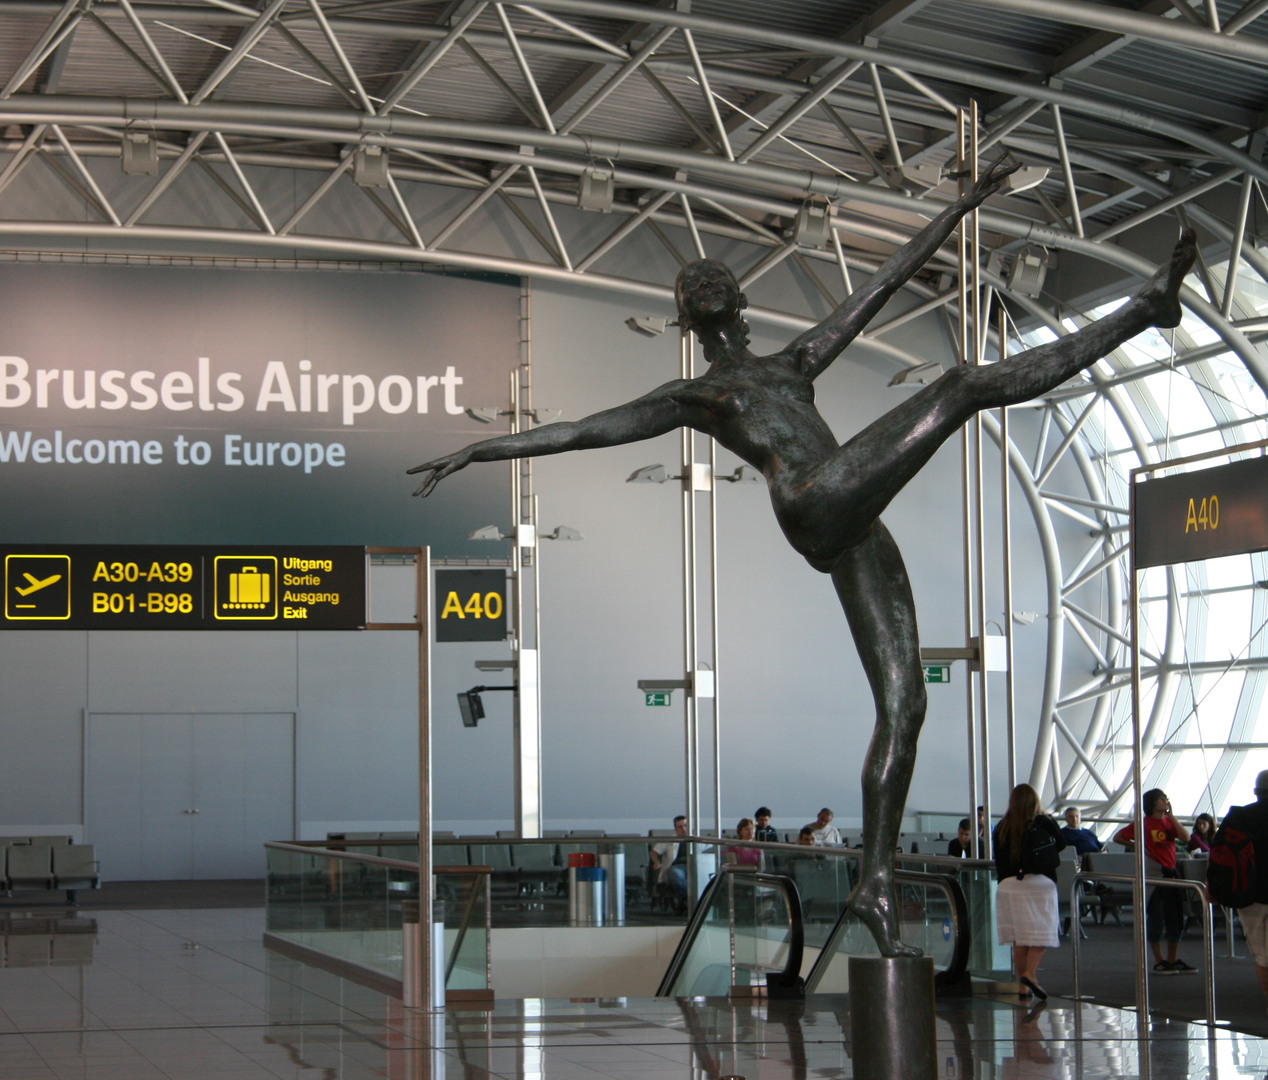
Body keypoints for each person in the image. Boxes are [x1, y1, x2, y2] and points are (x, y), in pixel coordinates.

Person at [408, 152, 1197, 956]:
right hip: (814, 498)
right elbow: (585, 429)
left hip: (856, 525)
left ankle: (873, 884)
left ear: (739, 299)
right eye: (690, 286)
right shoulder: (698, 395)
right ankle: (1144, 310)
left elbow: (880, 286)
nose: (704, 281)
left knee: (905, 709)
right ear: (685, 321)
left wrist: (963, 209)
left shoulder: (793, 364)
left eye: (714, 275)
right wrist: (482, 450)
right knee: (961, 385)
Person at [994, 783, 1068, 1000]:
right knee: (1042, 935)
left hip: (1009, 886)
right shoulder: (1043, 822)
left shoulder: (1002, 826)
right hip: (1040, 884)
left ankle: (1023, 988)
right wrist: (1046, 823)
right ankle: (1030, 974)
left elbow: (999, 858)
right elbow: (1061, 844)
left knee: (1020, 939)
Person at [1114, 789, 1195, 974]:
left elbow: (1185, 837)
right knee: (1156, 919)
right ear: (1152, 803)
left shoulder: (1168, 822)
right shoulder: (1143, 824)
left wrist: (1171, 816)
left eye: (1165, 798)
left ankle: (1172, 959)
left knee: (1175, 919)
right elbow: (1118, 837)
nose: (1165, 800)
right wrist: (1138, 846)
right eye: (1161, 799)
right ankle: (1159, 960)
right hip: (1154, 874)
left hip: (1171, 874)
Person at [1221, 771, 1268, 1011]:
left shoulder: (1239, 817)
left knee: (1262, 955)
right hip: (1254, 894)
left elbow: (1221, 855)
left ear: (1256, 792)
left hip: (1250, 894)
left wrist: (1215, 887)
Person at [650, 814, 689, 908]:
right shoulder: (670, 840)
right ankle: (691, 897)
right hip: (677, 867)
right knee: (674, 873)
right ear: (675, 829)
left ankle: (686, 899)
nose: (683, 829)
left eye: (685, 826)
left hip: (693, 866)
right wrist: (656, 862)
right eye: (680, 827)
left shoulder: (695, 839)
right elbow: (654, 852)